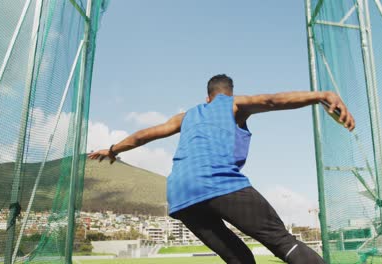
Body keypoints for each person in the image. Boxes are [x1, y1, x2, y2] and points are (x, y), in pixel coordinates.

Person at [88, 74, 355, 264]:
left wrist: (112, 150)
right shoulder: (234, 104)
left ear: (207, 96)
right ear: (228, 93)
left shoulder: (187, 116)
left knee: (239, 258)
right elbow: (273, 100)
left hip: (180, 196)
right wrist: (322, 95)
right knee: (282, 242)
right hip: (218, 183)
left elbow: (146, 134)